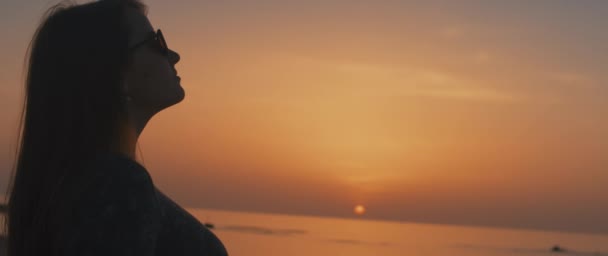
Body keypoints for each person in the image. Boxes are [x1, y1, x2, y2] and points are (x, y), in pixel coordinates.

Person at [3, 0, 228, 255]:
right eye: (156, 42)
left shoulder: (77, 183)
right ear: (114, 73)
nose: (174, 55)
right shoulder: (119, 187)